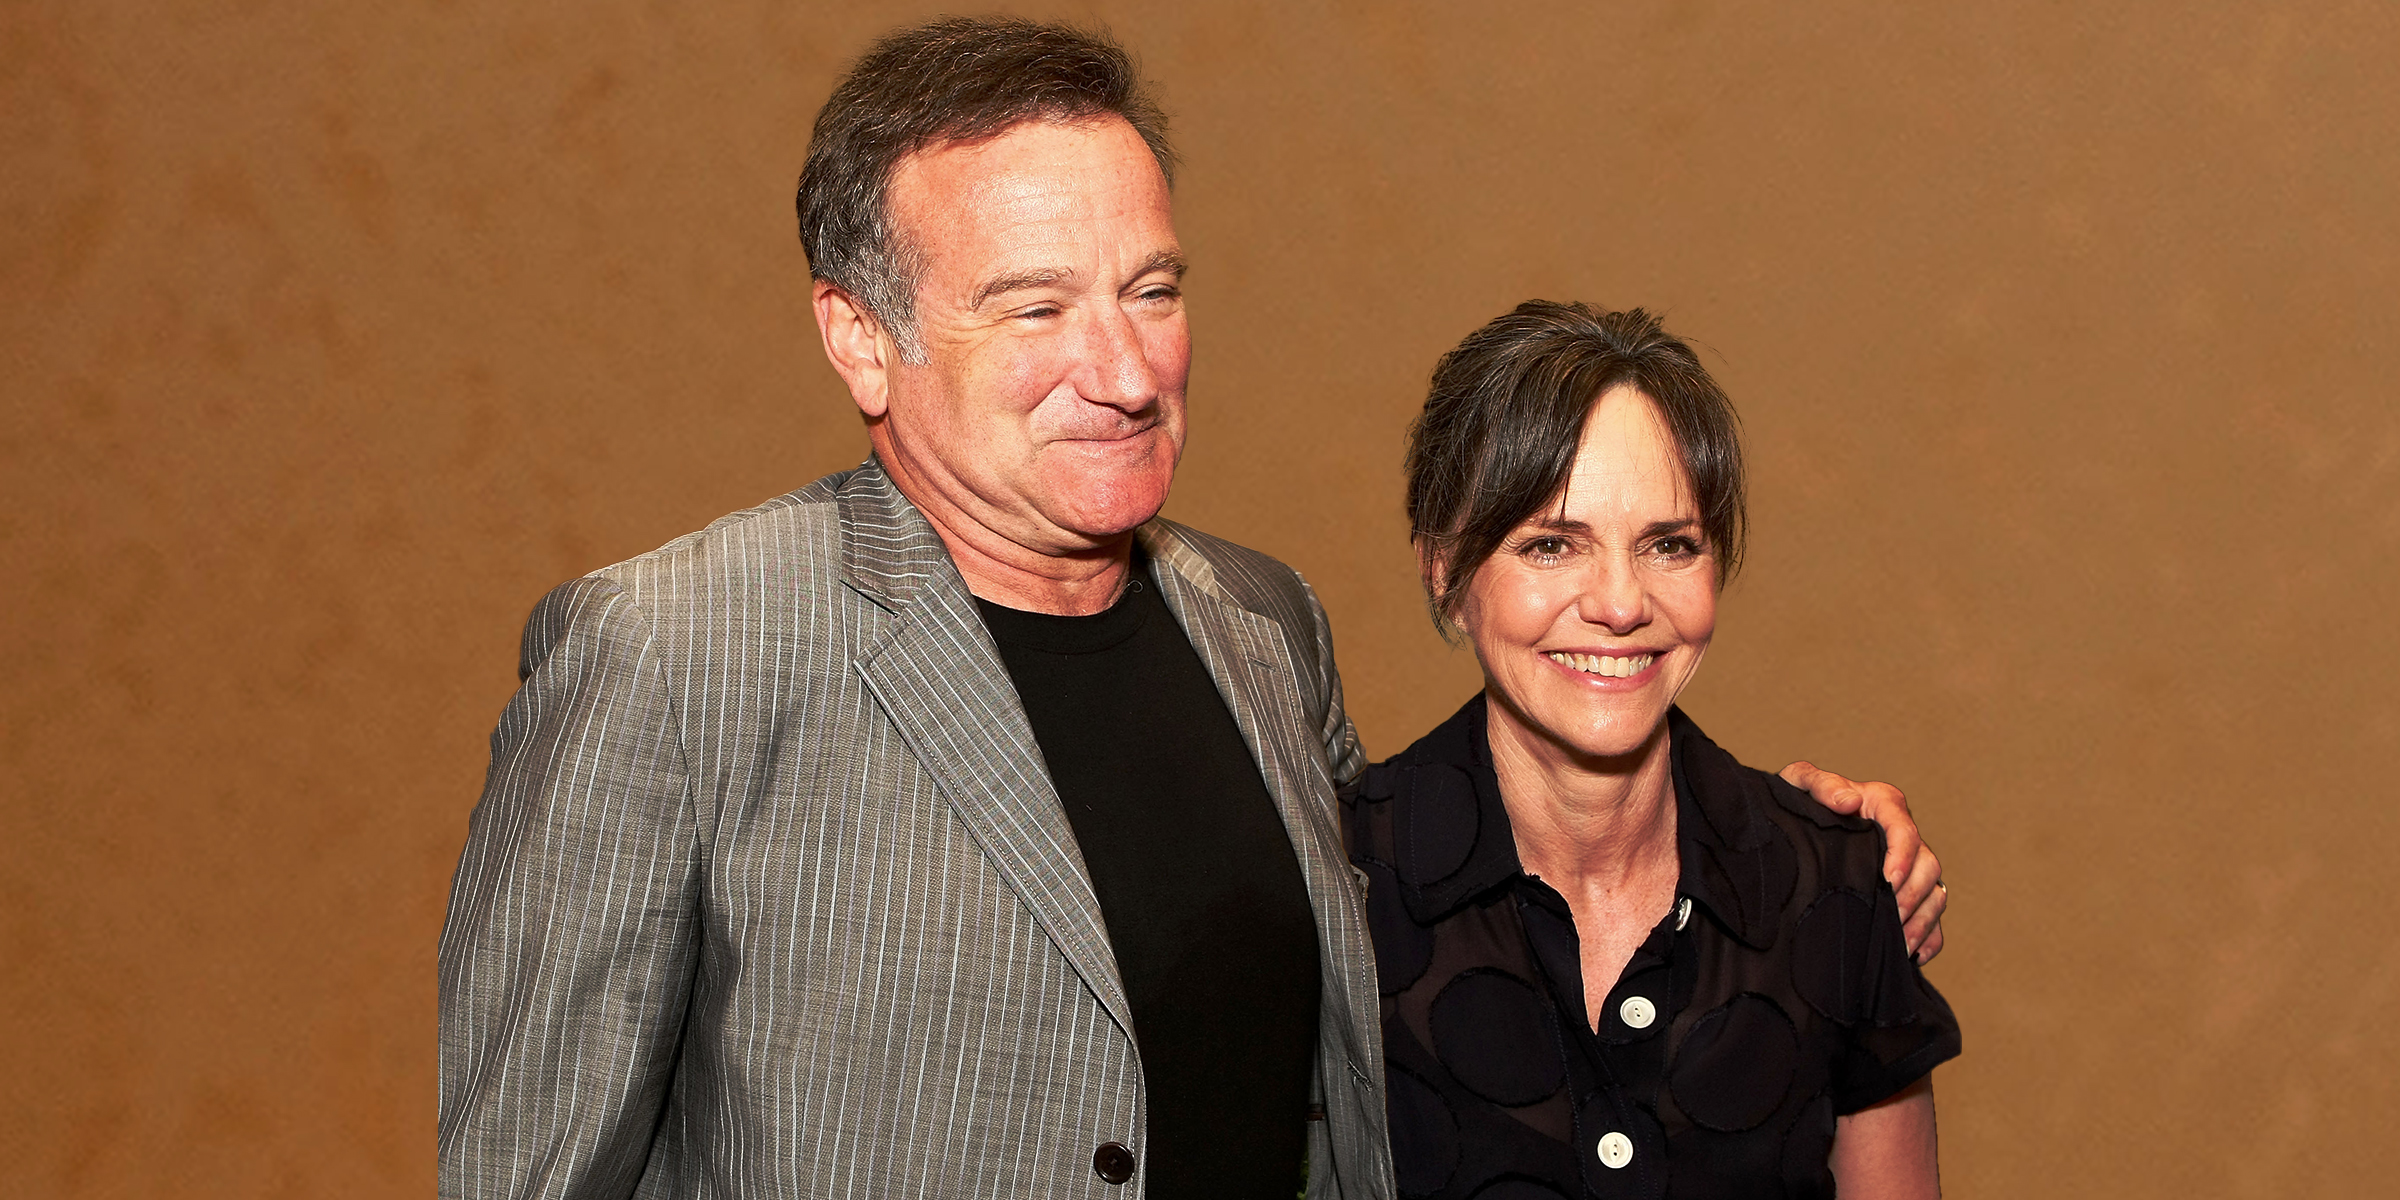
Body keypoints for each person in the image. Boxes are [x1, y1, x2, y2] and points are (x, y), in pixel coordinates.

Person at [436, 18, 1947, 1199]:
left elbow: (1443, 924)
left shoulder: (1257, 625)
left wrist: (1782, 840)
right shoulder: (670, 654)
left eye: (1152, 290)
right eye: (1036, 307)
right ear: (859, 338)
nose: (1127, 366)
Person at [1347, 302, 1960, 1200]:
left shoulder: (1835, 885)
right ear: (1445, 570)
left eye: (1669, 546)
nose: (1622, 603)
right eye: (1552, 545)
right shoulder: (1338, 887)